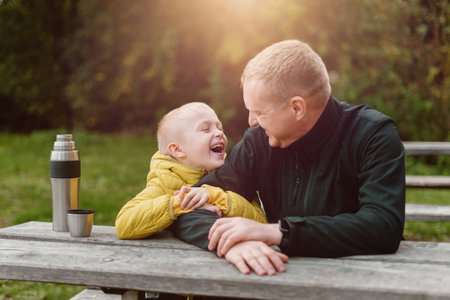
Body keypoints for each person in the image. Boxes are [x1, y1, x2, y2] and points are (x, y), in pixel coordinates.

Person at [172, 40, 405, 276]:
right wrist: (231, 243)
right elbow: (187, 208)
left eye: (260, 112)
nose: (251, 121)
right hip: (276, 278)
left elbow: (382, 226)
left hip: (359, 281)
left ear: (297, 108)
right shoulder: (259, 141)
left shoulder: (372, 134)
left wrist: (278, 232)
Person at [115, 102, 267, 240]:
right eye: (205, 129)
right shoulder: (165, 180)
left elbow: (261, 221)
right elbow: (124, 224)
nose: (219, 133)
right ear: (177, 150)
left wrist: (220, 199)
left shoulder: (236, 172)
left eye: (220, 128)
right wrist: (183, 203)